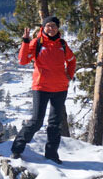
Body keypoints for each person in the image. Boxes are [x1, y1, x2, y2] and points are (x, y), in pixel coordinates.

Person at [10, 16, 76, 164]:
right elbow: (23, 60)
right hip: (41, 87)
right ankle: (17, 149)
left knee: (55, 123)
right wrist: (25, 42)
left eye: (54, 26)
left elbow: (72, 60)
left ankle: (51, 155)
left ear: (58, 28)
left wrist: (69, 76)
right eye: (48, 26)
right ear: (43, 27)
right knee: (36, 121)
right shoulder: (37, 42)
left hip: (60, 88)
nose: (51, 28)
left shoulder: (62, 44)